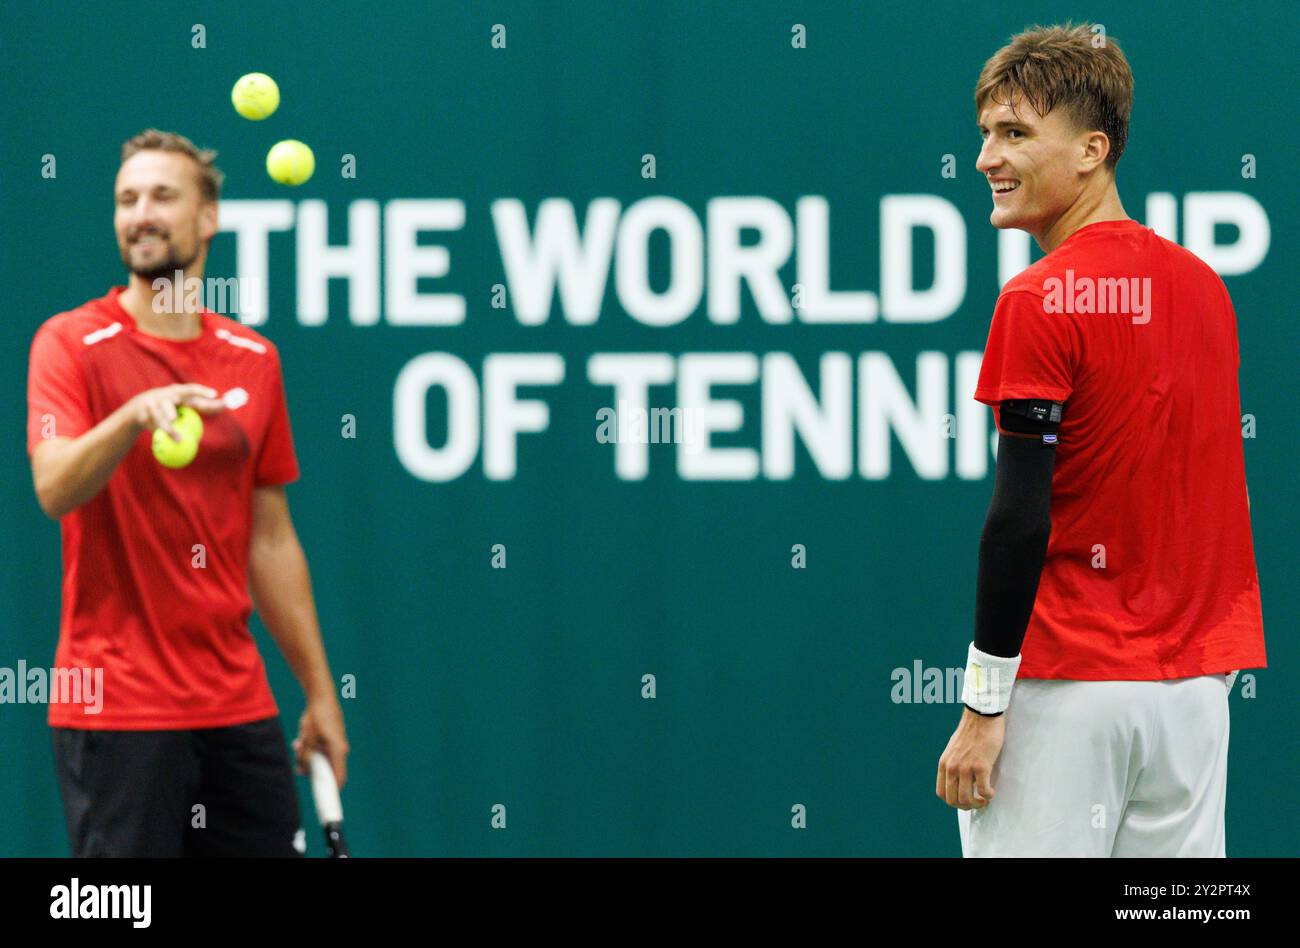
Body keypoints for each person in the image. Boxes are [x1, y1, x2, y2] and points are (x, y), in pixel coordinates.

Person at [935, 24, 1266, 856]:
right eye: (984, 134)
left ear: (1093, 149)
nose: (986, 158)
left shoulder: (1037, 299)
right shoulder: (1204, 290)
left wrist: (982, 707)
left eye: (1014, 133)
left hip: (1066, 692)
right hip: (1191, 701)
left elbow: (1018, 519)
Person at [26, 129, 349, 857]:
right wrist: (132, 417)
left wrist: (320, 694)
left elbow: (269, 541)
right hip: (113, 706)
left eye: (163, 196)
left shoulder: (254, 360)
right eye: (126, 199)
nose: (141, 213)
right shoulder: (67, 344)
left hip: (235, 703)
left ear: (209, 218)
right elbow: (54, 486)